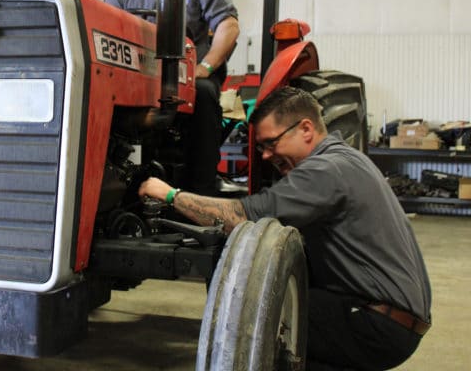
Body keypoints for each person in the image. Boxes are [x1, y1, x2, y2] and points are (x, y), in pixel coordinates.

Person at [138, 86, 431, 371]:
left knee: (252, 315)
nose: (266, 155)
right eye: (261, 147)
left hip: (378, 324)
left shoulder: (325, 170)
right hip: (391, 318)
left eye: (271, 143)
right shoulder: (347, 159)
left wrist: (170, 194)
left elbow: (241, 218)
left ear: (306, 129)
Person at [104, 0, 241, 196]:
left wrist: (205, 66)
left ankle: (202, 191)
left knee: (203, 93)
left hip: (189, 77)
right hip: (139, 78)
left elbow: (228, 25)